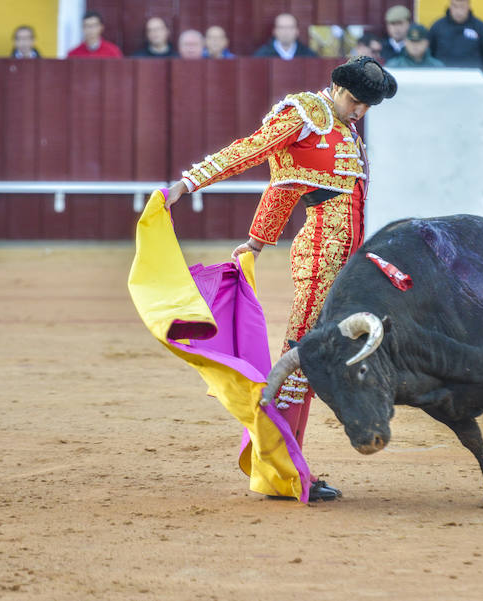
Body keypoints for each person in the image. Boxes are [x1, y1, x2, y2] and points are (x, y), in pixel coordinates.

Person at [163, 57, 398, 502]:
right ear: (335, 86)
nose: (360, 111)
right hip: (320, 256)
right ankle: (282, 470)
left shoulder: (341, 125)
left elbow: (285, 186)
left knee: (308, 359)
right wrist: (189, 183)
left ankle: (285, 466)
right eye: (355, 100)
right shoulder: (306, 113)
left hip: (343, 260)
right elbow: (249, 150)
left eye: (368, 105)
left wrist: (255, 242)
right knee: (300, 358)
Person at [428, 0, 483, 69]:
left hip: (473, 75)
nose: (458, 11)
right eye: (455, 6)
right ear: (450, 6)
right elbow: (429, 54)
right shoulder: (437, 27)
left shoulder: (481, 28)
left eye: (462, 7)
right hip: (443, 74)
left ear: (468, 6)